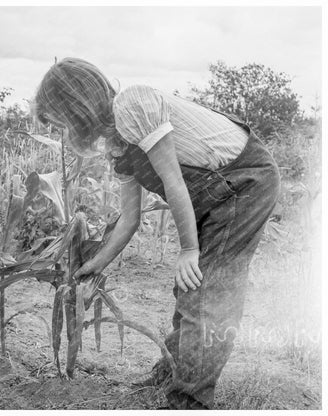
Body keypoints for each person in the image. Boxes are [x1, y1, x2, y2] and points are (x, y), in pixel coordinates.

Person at [33, 57, 281, 410]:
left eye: (62, 121)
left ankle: (188, 400)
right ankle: (172, 373)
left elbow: (173, 181)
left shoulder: (133, 104)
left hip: (244, 182)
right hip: (218, 192)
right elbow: (129, 218)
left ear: (75, 106)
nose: (64, 131)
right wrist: (96, 264)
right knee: (190, 288)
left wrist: (188, 250)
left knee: (206, 289)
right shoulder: (118, 144)